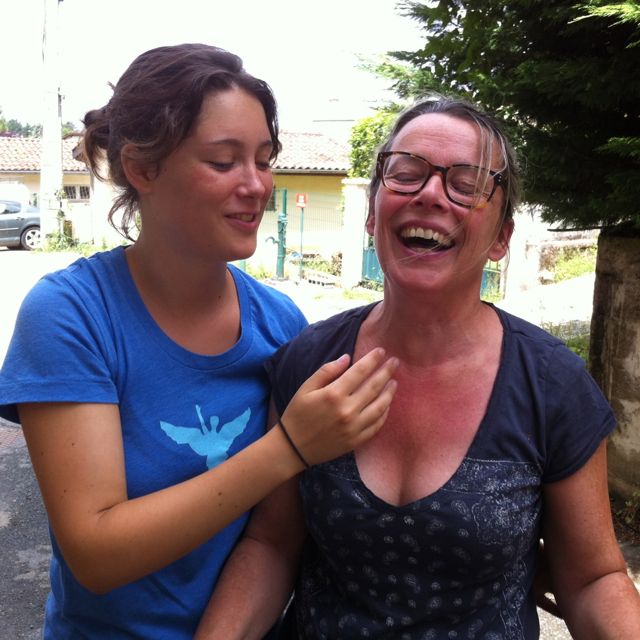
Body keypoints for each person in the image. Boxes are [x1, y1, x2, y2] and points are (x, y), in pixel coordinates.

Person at [195, 96, 640, 639]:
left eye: (467, 184)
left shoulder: (551, 386)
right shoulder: (311, 362)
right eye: (406, 174)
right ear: (371, 214)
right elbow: (272, 545)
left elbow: (592, 579)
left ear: (501, 238)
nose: (430, 194)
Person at [0, 43, 399, 639]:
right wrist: (290, 447)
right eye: (223, 161)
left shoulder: (280, 323)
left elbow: (275, 539)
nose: (256, 185)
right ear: (142, 169)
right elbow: (96, 554)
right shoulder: (72, 314)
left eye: (264, 160)